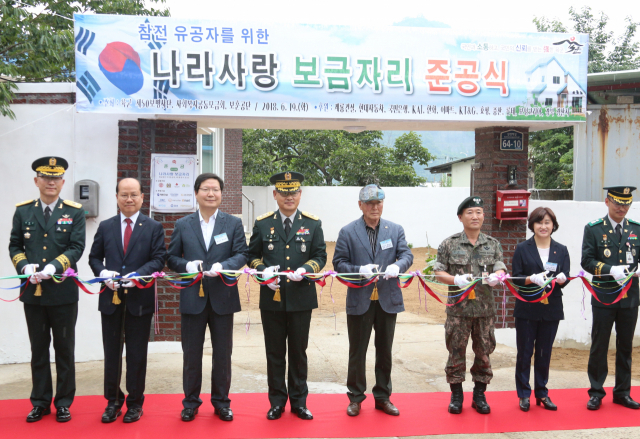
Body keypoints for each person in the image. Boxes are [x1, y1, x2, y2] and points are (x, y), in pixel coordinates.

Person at [9, 157, 86, 423]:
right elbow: (15, 246)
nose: (51, 182)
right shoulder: (23, 211)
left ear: (63, 182)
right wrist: (24, 267)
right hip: (32, 293)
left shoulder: (75, 212)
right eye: (45, 177)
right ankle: (40, 402)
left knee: (65, 349)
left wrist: (55, 266)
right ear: (36, 181)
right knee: (39, 349)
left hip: (63, 292)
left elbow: (76, 247)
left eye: (56, 178)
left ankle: (64, 402)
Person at [167, 173, 248, 422]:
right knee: (192, 354)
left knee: (223, 353)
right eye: (205, 189)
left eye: (215, 189)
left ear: (221, 194)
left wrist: (224, 265)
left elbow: (242, 253)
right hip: (192, 297)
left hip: (223, 296)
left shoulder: (232, 224)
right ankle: (190, 402)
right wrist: (187, 264)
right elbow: (171, 258)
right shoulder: (183, 224)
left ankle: (222, 402)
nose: (210, 194)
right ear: (196, 193)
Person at [247, 171, 327, 420]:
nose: (289, 197)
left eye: (293, 192)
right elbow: (252, 255)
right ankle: (277, 402)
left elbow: (320, 256)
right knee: (274, 353)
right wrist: (263, 272)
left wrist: (307, 269)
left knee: (298, 352)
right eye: (284, 192)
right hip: (272, 298)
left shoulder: (313, 224)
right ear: (275, 195)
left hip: (301, 297)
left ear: (300, 194)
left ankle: (299, 402)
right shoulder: (263, 223)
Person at [88, 178, 167, 423]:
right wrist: (103, 274)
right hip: (110, 298)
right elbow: (94, 258)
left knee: (136, 353)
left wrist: (138, 276)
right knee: (111, 353)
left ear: (142, 197)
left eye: (134, 195)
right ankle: (113, 401)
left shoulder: (153, 227)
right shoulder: (106, 226)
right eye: (124, 195)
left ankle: (135, 402)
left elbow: (158, 259)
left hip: (138, 299)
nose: (129, 199)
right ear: (116, 197)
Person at [332, 184, 413, 417]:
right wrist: (360, 270)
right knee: (357, 350)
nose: (374, 207)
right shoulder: (348, 231)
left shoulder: (394, 229)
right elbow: (339, 264)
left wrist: (399, 265)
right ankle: (356, 397)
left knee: (384, 349)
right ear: (360, 206)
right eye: (369, 203)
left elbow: (407, 254)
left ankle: (383, 396)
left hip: (388, 297)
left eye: (378, 202)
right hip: (360, 297)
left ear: (383, 204)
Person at [434, 196, 506, 415]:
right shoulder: (449, 243)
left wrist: (498, 276)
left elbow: (500, 267)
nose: (475, 216)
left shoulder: (493, 244)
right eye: (469, 213)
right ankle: (456, 396)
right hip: (458, 310)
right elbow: (439, 272)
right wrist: (454, 280)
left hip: (484, 311)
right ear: (460, 217)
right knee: (456, 352)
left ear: (483, 216)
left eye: (478, 212)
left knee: (484, 353)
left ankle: (479, 395)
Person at [581, 186, 640, 411]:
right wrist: (609, 269)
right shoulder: (594, 229)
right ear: (607, 202)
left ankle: (622, 392)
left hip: (629, 297)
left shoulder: (636, 228)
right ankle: (596, 392)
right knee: (600, 345)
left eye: (626, 204)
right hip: (604, 295)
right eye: (617, 203)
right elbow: (586, 261)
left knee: (625, 346)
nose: (621, 208)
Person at [511, 207, 570, 412]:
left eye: (547, 222)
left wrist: (563, 280)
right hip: (527, 307)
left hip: (551, 308)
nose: (543, 226)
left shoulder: (561, 249)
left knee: (544, 353)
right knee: (525, 352)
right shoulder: (522, 248)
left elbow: (565, 275)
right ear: (532, 225)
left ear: (553, 225)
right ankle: (524, 394)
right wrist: (529, 279)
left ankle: (542, 392)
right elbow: (515, 278)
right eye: (539, 222)